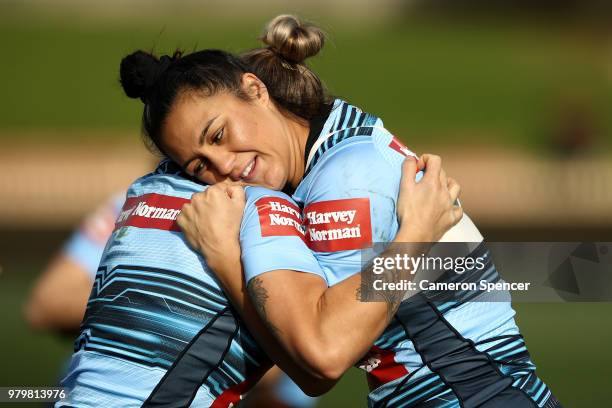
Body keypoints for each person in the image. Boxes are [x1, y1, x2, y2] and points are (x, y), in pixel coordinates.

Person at [124, 14, 560, 408]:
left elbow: (323, 360)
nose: (224, 167)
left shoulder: (346, 176)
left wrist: (223, 259)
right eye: (199, 165)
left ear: (255, 89)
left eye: (218, 134)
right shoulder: (325, 143)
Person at [23, 190, 319, 408]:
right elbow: (44, 306)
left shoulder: (288, 219)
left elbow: (307, 367)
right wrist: (161, 308)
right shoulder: (142, 203)